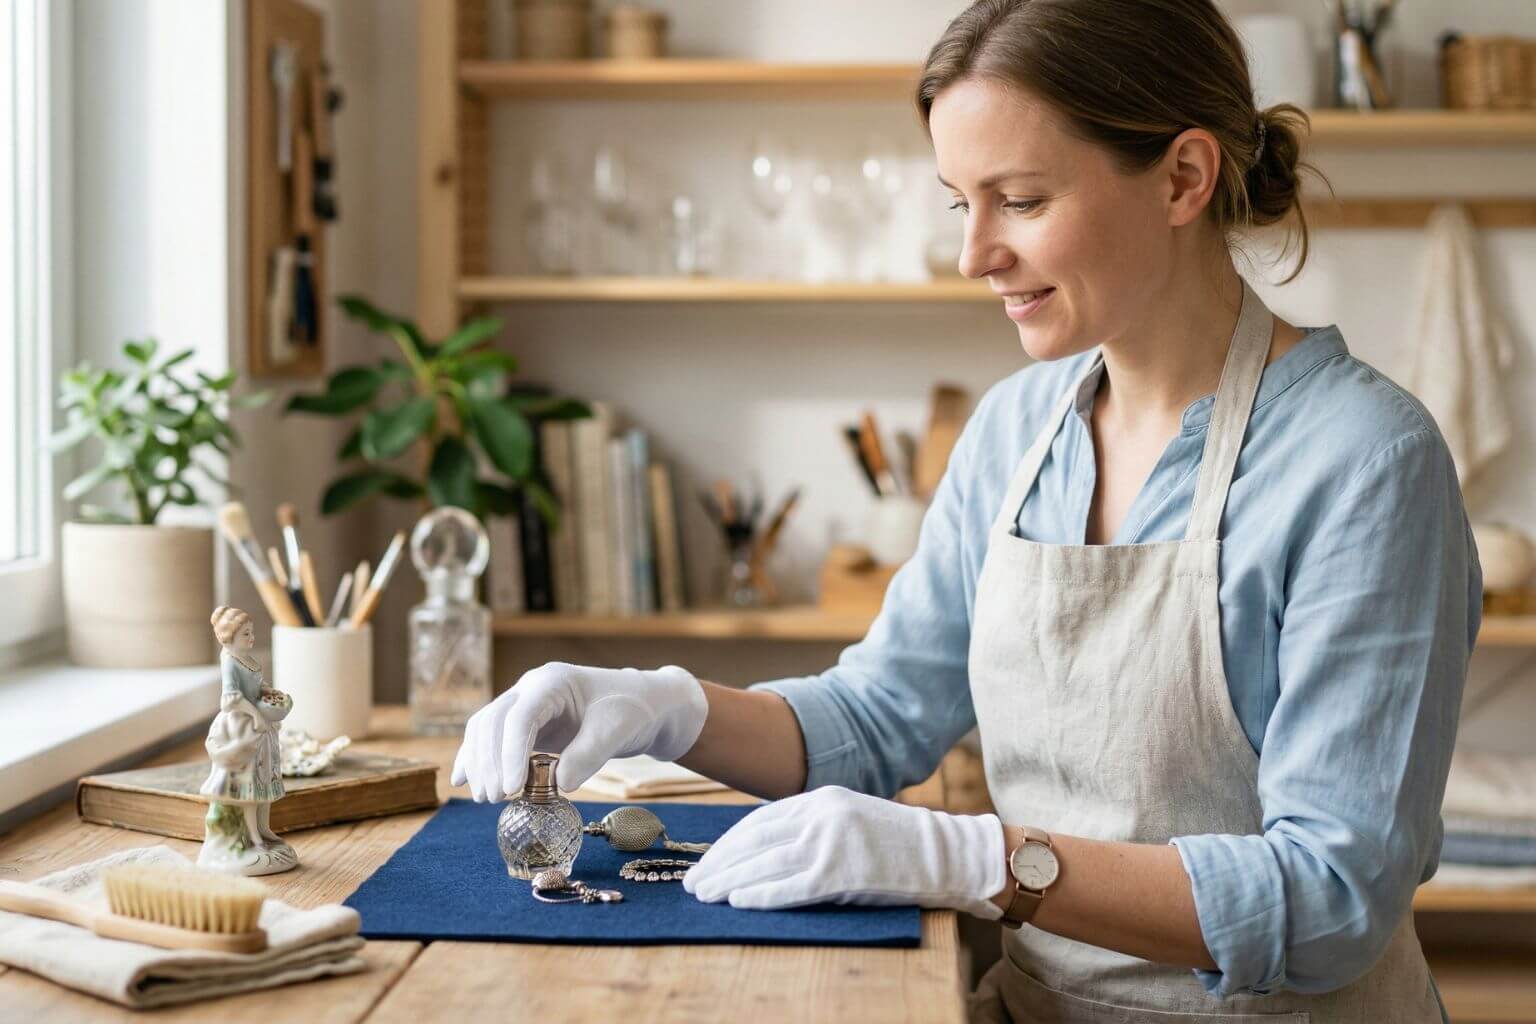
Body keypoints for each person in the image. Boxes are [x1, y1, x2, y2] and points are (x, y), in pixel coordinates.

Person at [453, 1, 1479, 1019]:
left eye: (1020, 200)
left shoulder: (1367, 464)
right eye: (960, 204)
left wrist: (984, 859)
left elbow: (1333, 900)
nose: (972, 254)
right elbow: (879, 716)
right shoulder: (1016, 431)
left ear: (1183, 176)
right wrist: (666, 705)